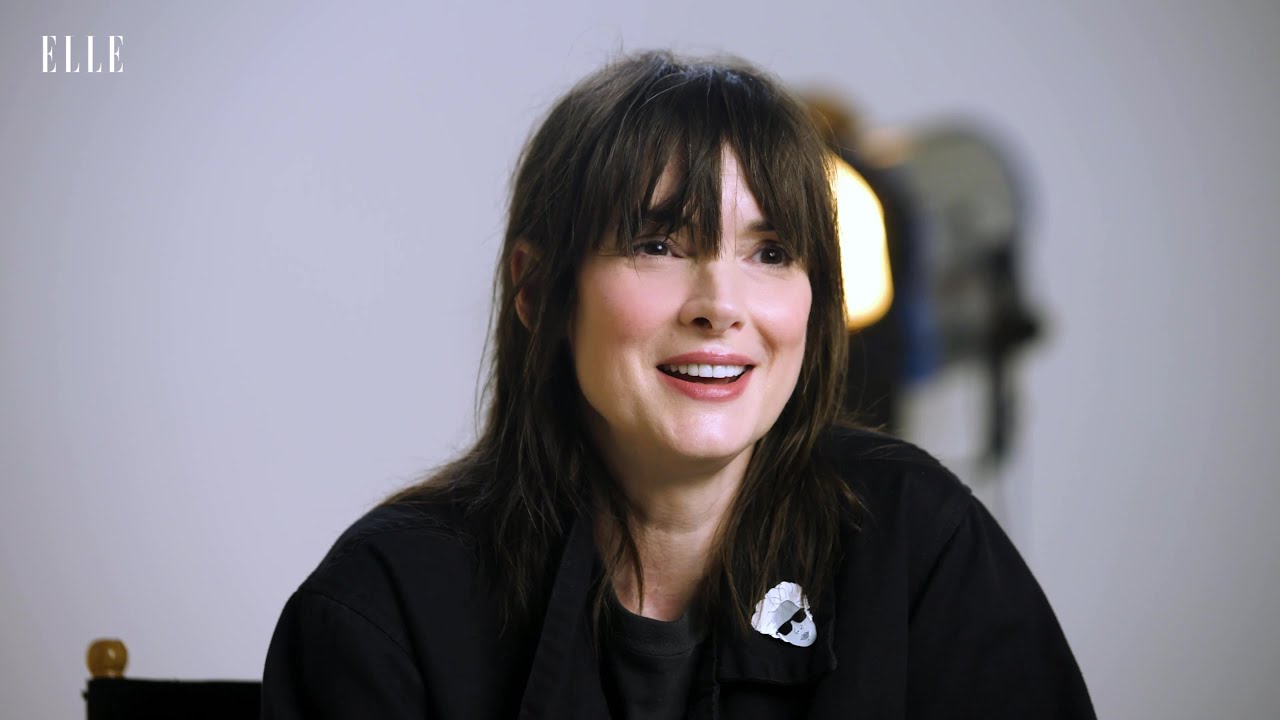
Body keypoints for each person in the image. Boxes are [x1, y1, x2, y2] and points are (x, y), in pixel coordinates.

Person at [260, 50, 1096, 719]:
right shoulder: (388, 603)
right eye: (657, 245)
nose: (720, 307)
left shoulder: (921, 546)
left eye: (771, 252)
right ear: (537, 289)